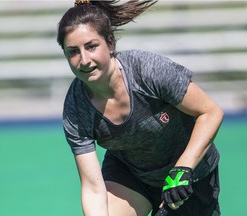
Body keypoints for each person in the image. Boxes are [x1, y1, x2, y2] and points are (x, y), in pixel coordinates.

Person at [57, 0, 224, 215]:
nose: (84, 60)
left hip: (191, 173)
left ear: (110, 44)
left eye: (91, 46)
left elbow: (210, 112)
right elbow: (92, 188)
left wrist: (183, 169)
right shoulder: (76, 109)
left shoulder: (147, 71)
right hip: (130, 175)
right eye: (73, 52)